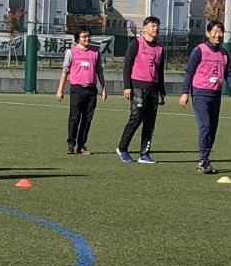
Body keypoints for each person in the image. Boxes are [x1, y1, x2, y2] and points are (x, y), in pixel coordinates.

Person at [178, 20, 231, 175]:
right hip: (200, 93)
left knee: (212, 129)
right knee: (205, 126)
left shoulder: (224, 53)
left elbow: (228, 73)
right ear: (207, 33)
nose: (217, 34)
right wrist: (185, 92)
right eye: (214, 31)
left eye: (220, 31)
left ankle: (205, 158)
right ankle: (203, 160)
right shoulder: (199, 51)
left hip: (216, 94)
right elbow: (189, 72)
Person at [116, 15, 166, 164]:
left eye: (157, 26)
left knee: (150, 122)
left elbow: (160, 71)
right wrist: (127, 87)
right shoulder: (136, 44)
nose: (156, 28)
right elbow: (127, 66)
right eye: (153, 25)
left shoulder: (160, 48)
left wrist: (162, 92)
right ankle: (122, 148)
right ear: (145, 28)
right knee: (136, 118)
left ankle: (144, 153)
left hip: (153, 89)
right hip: (138, 87)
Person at [54, 27, 106, 155]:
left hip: (91, 90)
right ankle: (71, 144)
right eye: (84, 36)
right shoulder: (71, 52)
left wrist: (103, 88)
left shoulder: (95, 52)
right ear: (78, 39)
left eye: (88, 36)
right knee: (74, 117)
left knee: (87, 119)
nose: (87, 39)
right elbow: (65, 71)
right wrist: (60, 89)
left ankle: (82, 145)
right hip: (77, 89)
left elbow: (99, 71)